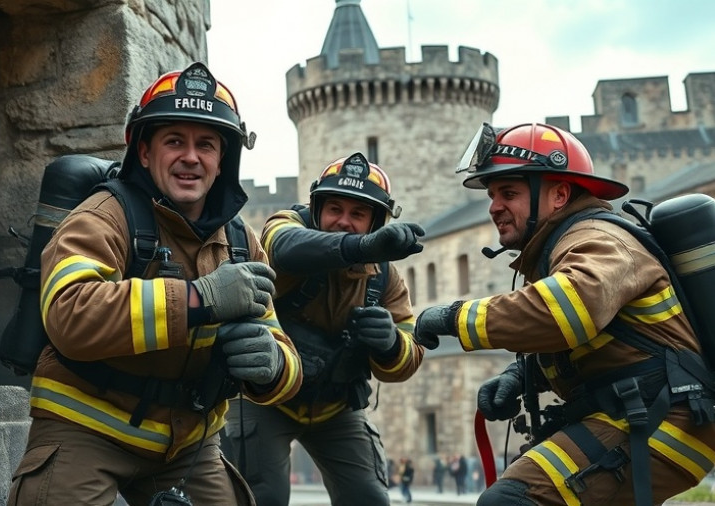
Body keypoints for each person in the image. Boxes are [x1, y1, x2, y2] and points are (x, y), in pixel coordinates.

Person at [5, 61, 303, 506]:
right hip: (87, 428)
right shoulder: (102, 216)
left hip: (189, 444)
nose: (191, 157)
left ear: (222, 161)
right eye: (174, 141)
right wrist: (200, 298)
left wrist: (273, 366)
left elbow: (285, 356)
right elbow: (70, 315)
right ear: (144, 152)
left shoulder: (242, 244)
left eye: (206, 144)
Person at [413, 122, 715, 505]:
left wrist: (454, 318)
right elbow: (612, 347)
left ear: (559, 195)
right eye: (492, 195)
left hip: (660, 423)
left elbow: (569, 311)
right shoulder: (560, 248)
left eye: (509, 193)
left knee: (512, 500)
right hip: (638, 414)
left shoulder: (596, 238)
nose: (494, 207)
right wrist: (519, 376)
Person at [223, 152, 426, 506]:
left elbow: (410, 353)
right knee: (262, 497)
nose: (343, 221)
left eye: (358, 214)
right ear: (316, 209)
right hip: (263, 397)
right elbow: (284, 248)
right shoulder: (284, 225)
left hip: (336, 407)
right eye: (334, 209)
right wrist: (360, 247)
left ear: (375, 222)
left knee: (369, 498)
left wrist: (391, 344)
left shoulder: (385, 278)